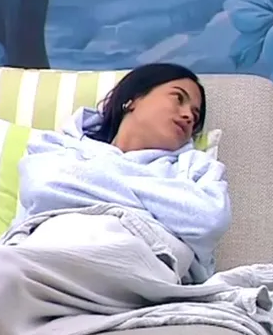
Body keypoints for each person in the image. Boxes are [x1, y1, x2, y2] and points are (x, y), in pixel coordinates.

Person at [14, 63, 230, 281]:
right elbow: (44, 188)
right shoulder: (58, 146)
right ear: (133, 99)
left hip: (140, 271)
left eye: (195, 115)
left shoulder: (195, 166)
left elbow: (208, 219)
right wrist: (152, 212)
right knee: (4, 269)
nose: (188, 116)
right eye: (178, 99)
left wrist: (94, 187)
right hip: (46, 259)